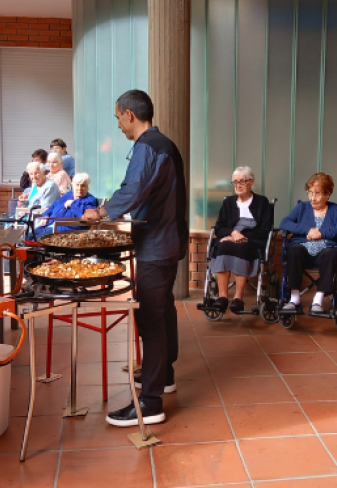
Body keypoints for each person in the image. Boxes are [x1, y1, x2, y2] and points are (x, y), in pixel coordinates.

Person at [83, 90, 188, 428]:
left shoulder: (148, 146)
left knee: (151, 318)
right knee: (164, 310)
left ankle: (150, 403)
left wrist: (101, 212)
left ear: (130, 114)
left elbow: (133, 189)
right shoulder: (165, 144)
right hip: (168, 240)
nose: (118, 125)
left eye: (118, 118)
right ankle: (164, 374)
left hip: (157, 245)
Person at [279, 172, 337, 315]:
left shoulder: (336, 210)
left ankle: (318, 300)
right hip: (303, 251)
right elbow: (284, 223)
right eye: (310, 193)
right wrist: (308, 230)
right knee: (293, 250)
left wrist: (321, 233)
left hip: (325, 252)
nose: (312, 198)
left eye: (317, 193)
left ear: (327, 194)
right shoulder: (302, 207)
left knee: (331, 254)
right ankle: (294, 299)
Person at [211, 166, 275, 314]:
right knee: (222, 247)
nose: (238, 185)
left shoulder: (262, 202)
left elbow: (265, 229)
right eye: (235, 182)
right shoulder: (228, 203)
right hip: (230, 239)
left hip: (252, 241)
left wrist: (243, 237)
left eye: (242, 181)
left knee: (242, 247)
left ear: (251, 182)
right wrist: (232, 233)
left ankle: (238, 298)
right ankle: (222, 297)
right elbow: (219, 227)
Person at [30, 173, 97, 240]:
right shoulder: (68, 194)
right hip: (49, 225)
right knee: (27, 237)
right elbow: (54, 205)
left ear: (88, 187)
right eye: (77, 185)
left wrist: (72, 203)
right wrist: (46, 215)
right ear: (73, 186)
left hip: (63, 230)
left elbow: (85, 216)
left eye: (83, 186)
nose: (79, 188)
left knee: (35, 240)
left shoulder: (90, 200)